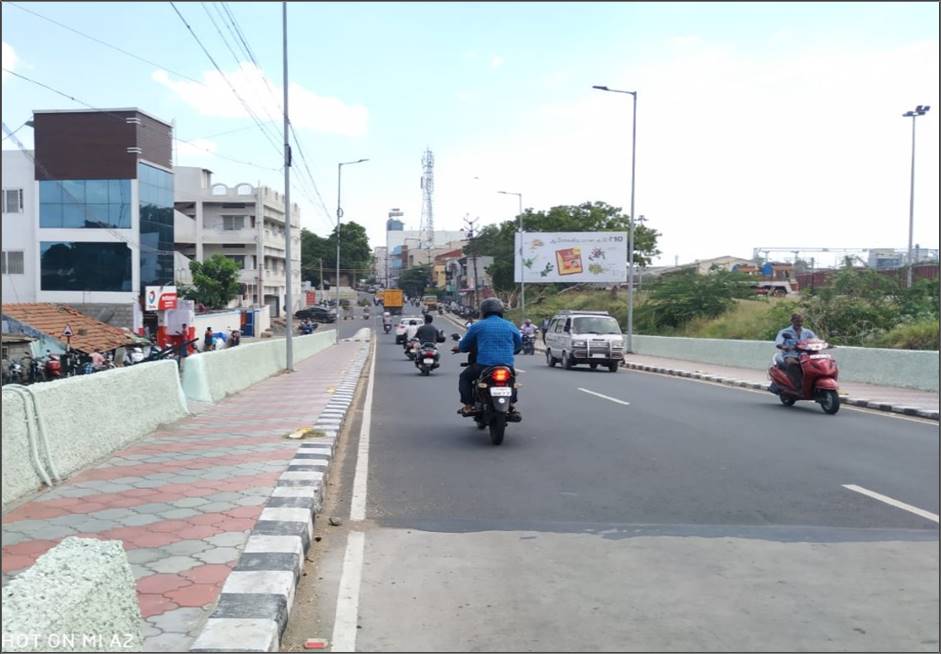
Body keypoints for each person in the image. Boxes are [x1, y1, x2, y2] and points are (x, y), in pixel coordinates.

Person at [453, 298, 522, 415]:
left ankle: (468, 405)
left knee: (464, 377)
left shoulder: (477, 326)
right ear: (501, 311)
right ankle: (511, 405)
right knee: (511, 380)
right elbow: (518, 344)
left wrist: (459, 348)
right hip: (507, 365)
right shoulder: (510, 325)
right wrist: (512, 351)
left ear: (483, 312)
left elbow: (464, 345)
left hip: (484, 365)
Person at [774, 313, 817, 390]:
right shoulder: (784, 331)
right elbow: (778, 343)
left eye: (801, 322)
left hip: (806, 356)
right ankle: (798, 385)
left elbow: (816, 340)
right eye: (797, 321)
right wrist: (785, 346)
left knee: (818, 364)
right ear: (792, 321)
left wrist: (825, 344)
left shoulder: (808, 332)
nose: (799, 324)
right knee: (792, 363)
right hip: (791, 355)